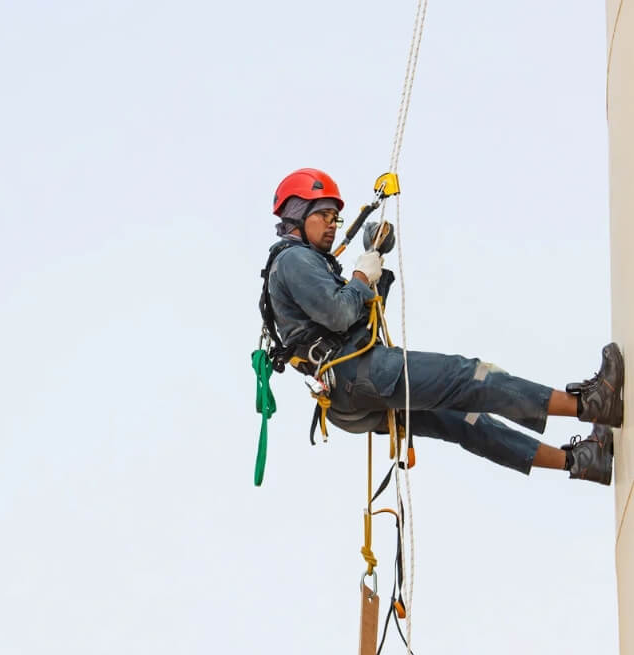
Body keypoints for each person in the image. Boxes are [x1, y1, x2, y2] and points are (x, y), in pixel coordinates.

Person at [263, 168, 624, 485]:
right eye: (324, 214)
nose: (331, 224)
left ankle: (581, 462)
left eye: (335, 217)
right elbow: (341, 314)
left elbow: (358, 324)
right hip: (358, 374)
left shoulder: (310, 265)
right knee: (470, 377)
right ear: (298, 216)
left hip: (350, 389)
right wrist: (359, 276)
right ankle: (590, 404)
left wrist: (375, 264)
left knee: (465, 422)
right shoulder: (295, 259)